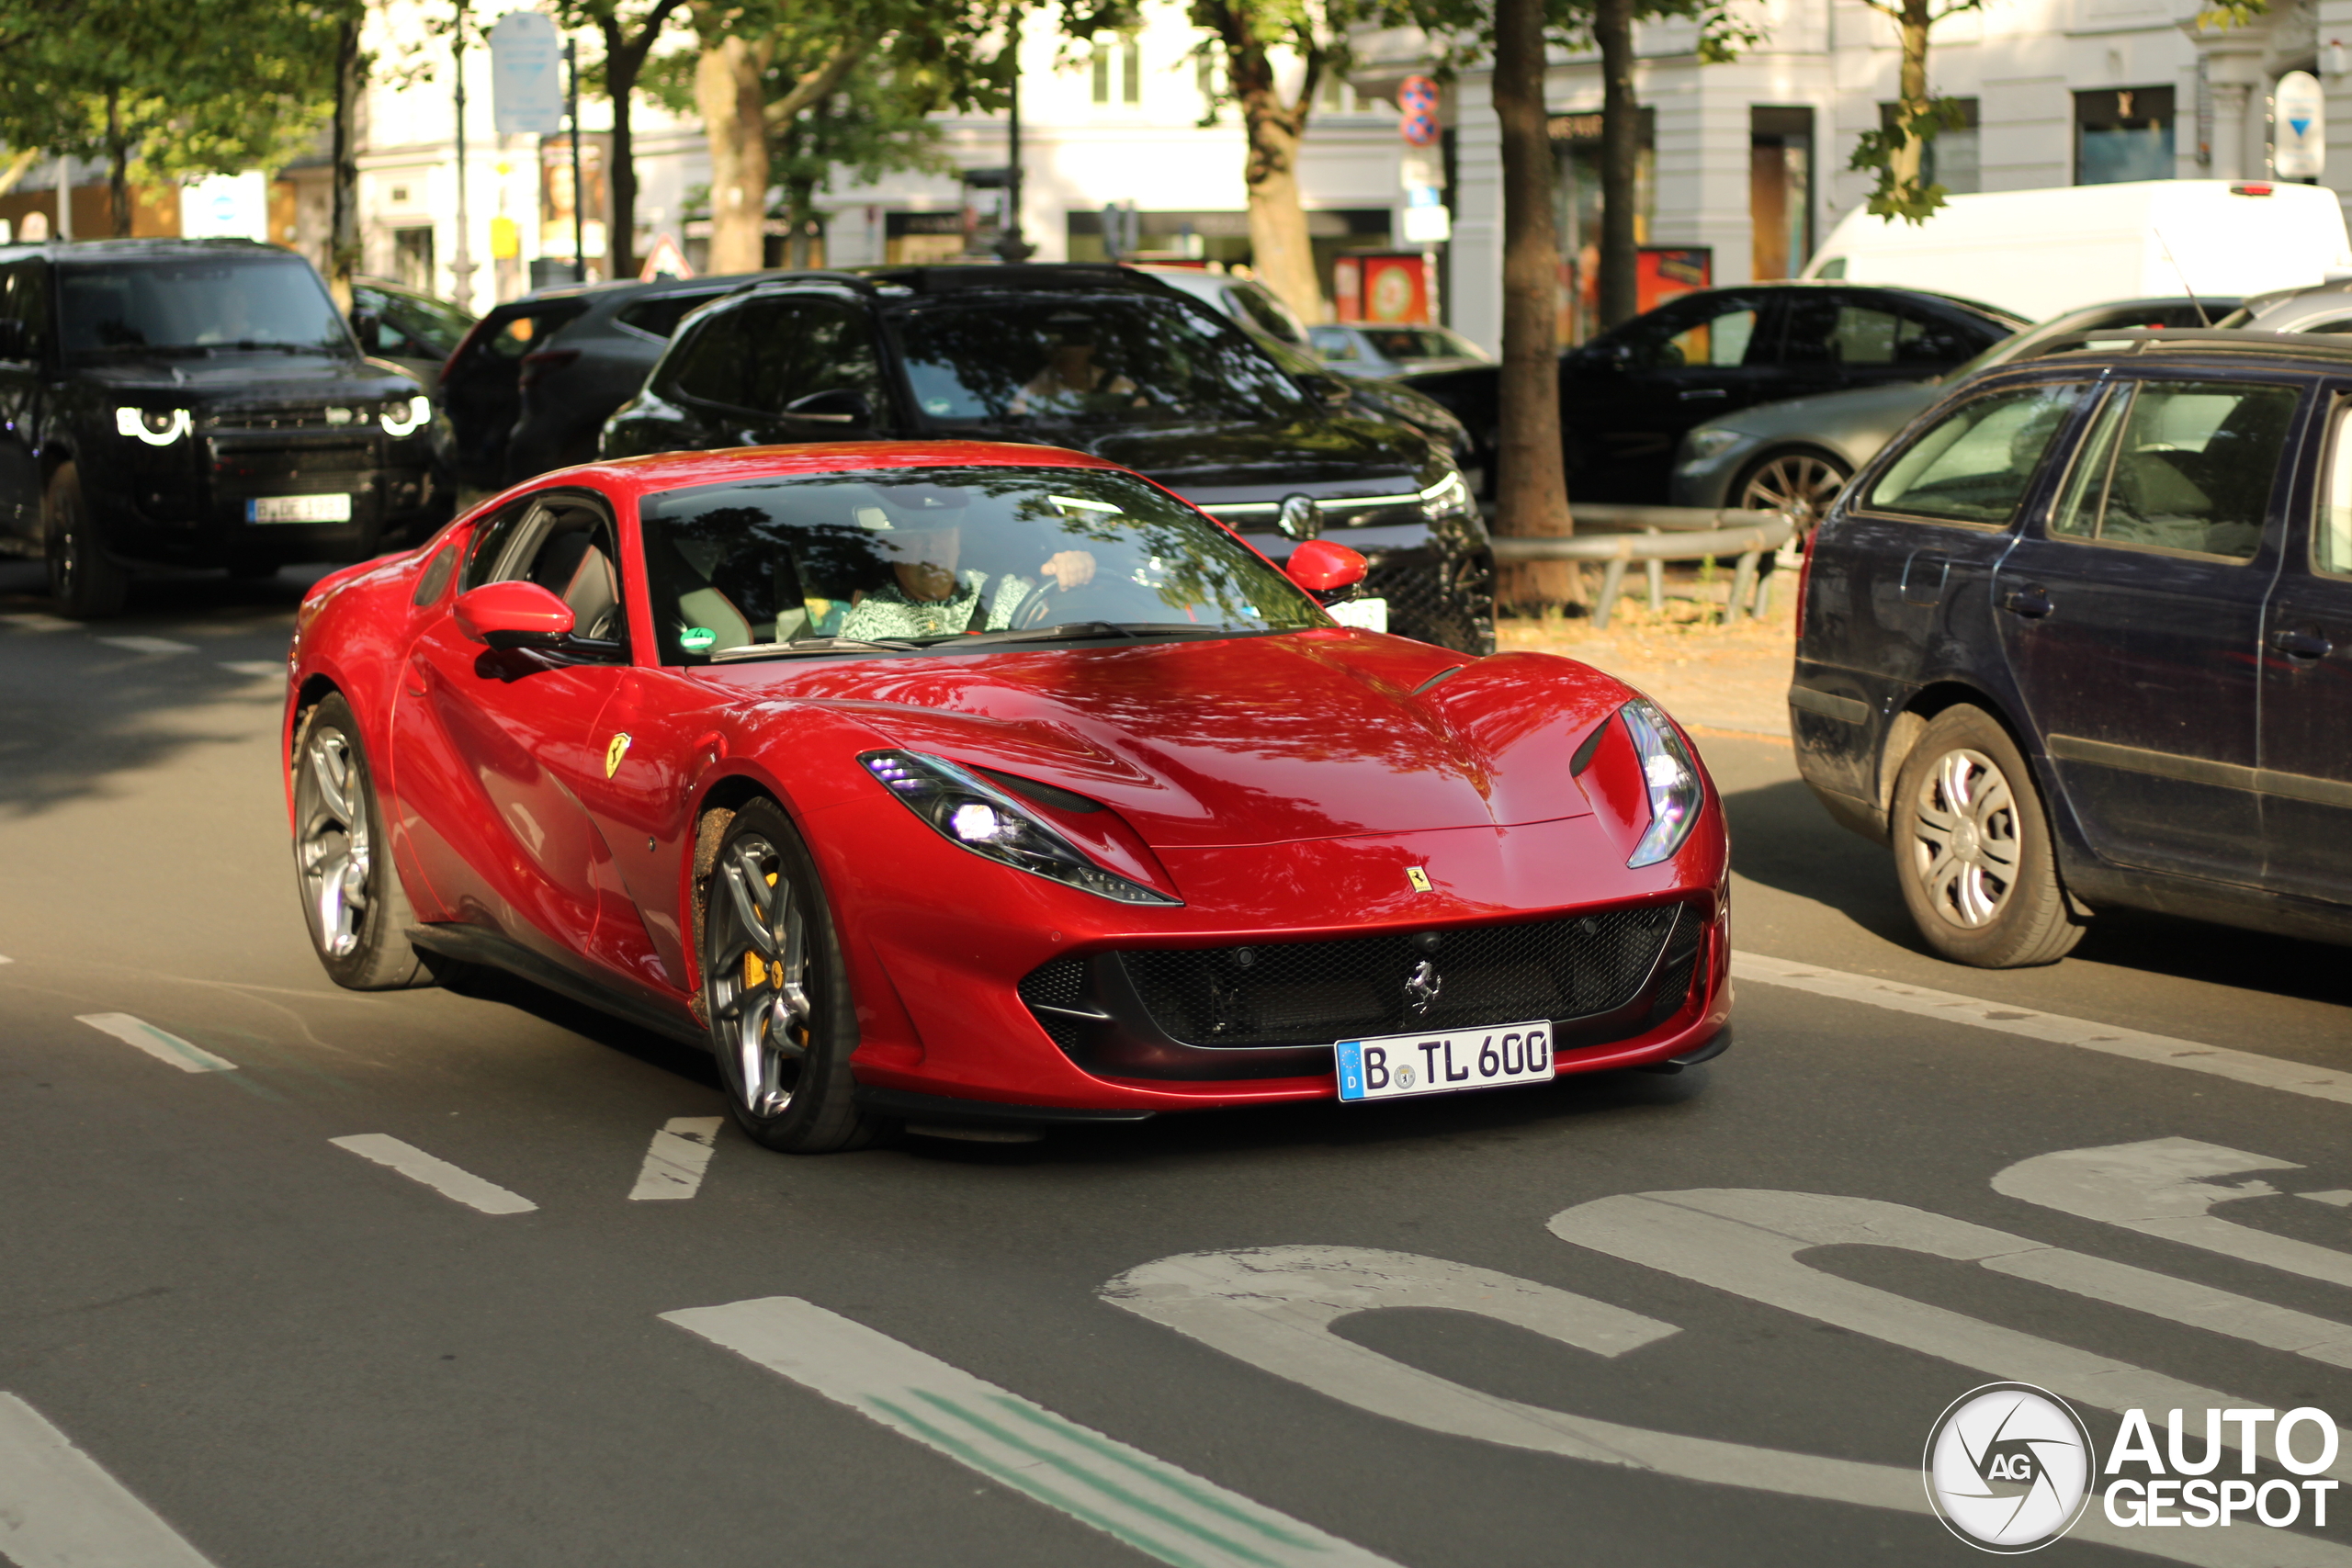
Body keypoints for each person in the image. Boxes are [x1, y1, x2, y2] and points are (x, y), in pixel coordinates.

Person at [837, 523, 1098, 640]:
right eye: (917, 534)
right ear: (889, 547)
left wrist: (1074, 578)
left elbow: (1066, 642)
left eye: (942, 530)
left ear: (957, 541)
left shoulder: (1008, 591)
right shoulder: (866, 627)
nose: (932, 546)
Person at [1007, 321, 1143, 415]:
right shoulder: (1033, 391)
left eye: (1074, 342)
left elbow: (1145, 421)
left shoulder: (1118, 385)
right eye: (1057, 345)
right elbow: (1017, 425)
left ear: (1091, 349)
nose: (1065, 351)